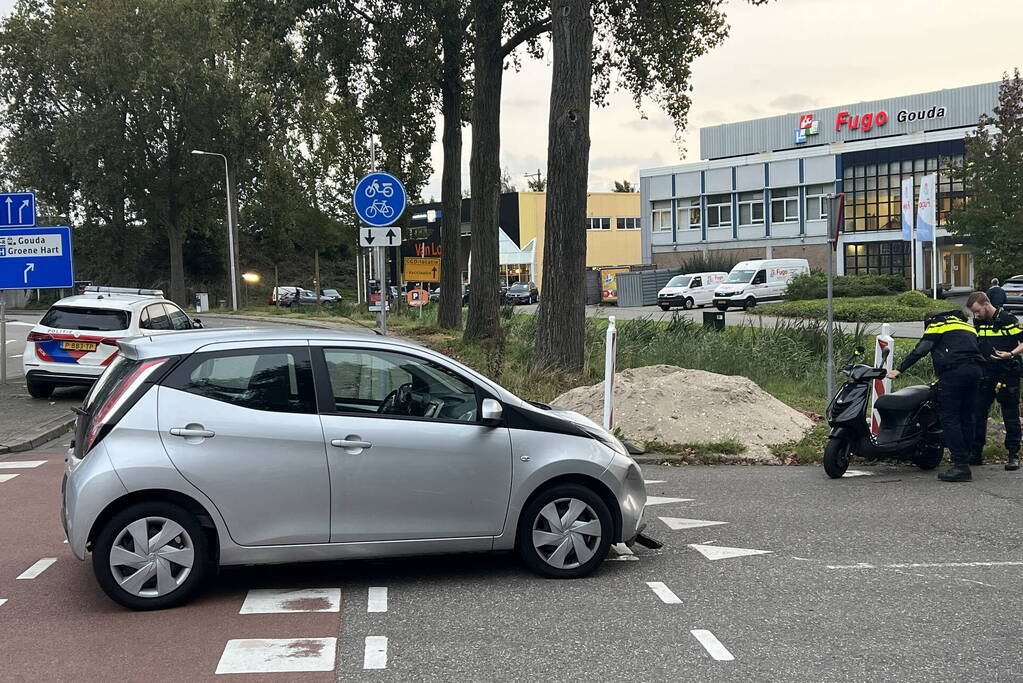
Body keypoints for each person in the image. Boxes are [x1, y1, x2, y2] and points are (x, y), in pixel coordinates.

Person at [887, 309, 984, 482]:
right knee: (967, 416)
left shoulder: (938, 323)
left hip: (954, 373)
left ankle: (960, 466)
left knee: (949, 417)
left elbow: (922, 348)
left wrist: (900, 369)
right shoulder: (965, 325)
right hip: (976, 372)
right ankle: (966, 457)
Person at [967, 291, 1023, 470]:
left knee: (1010, 414)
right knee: (978, 412)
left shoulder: (1006, 319)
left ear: (986, 304)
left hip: (1007, 371)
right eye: (973, 313)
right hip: (986, 371)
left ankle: (1013, 454)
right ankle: (975, 453)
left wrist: (1011, 354)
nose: (976, 315)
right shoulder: (979, 321)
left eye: (977, 311)